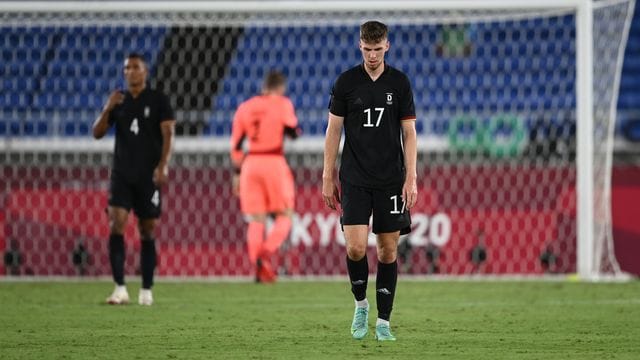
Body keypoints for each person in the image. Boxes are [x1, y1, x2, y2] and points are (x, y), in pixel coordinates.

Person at [322, 21, 418, 341]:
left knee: (388, 251)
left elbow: (409, 132)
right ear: (359, 46)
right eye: (368, 48)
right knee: (355, 247)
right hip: (354, 177)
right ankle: (361, 304)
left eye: (378, 49)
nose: (373, 55)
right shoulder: (347, 82)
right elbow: (333, 131)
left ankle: (384, 323)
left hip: (391, 178)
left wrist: (412, 177)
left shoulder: (400, 83)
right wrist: (327, 175)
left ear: (387, 46)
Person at [92, 53, 176, 306]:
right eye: (126, 68)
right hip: (121, 174)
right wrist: (107, 107)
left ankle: (146, 290)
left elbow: (168, 133)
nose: (130, 72)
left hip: (148, 175)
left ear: (145, 71)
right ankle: (120, 288)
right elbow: (97, 133)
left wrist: (163, 166)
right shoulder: (118, 101)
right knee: (116, 223)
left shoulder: (158, 100)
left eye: (135, 67)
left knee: (147, 229)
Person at [230, 71, 300, 283]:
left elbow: (235, 146)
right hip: (273, 161)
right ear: (280, 87)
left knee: (256, 219)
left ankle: (260, 268)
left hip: (250, 165)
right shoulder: (282, 103)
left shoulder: (245, 107)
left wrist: (236, 174)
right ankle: (266, 253)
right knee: (286, 214)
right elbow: (293, 131)